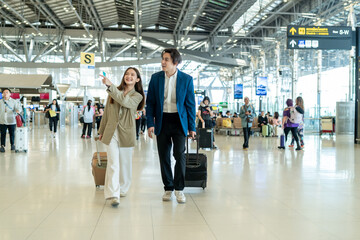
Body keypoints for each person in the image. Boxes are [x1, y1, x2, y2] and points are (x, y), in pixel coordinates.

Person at [146, 48, 196, 204]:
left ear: (175, 62)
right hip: (162, 120)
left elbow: (190, 105)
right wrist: (150, 123)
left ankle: (179, 189)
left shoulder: (186, 79)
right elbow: (151, 104)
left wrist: (192, 127)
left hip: (179, 122)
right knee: (164, 155)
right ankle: (168, 187)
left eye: (166, 59)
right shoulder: (156, 78)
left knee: (179, 155)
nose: (163, 62)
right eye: (162, 59)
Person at [99, 67, 145, 207]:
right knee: (113, 163)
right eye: (127, 74)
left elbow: (125, 102)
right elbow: (106, 112)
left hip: (127, 132)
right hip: (111, 131)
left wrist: (110, 86)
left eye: (132, 75)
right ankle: (114, 194)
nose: (129, 76)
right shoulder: (113, 92)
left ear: (137, 79)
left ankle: (123, 188)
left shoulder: (137, 96)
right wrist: (101, 130)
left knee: (125, 164)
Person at [0, 88, 21, 153]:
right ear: (2, 94)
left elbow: (19, 108)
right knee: (2, 134)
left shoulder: (14, 101)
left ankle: (12, 145)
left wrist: (18, 111)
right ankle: (2, 146)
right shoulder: (0, 102)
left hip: (12, 120)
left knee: (12, 134)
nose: (5, 94)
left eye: (6, 92)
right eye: (4, 92)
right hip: (2, 121)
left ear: (10, 94)